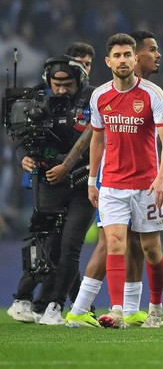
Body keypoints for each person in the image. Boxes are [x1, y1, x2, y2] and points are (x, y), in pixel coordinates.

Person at [66, 31, 163, 328]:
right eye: (153, 50)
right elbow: (94, 137)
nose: (158, 55)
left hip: (144, 181)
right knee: (112, 243)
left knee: (143, 247)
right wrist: (91, 177)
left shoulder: (153, 94)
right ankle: (89, 309)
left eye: (128, 54)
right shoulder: (103, 95)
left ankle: (135, 309)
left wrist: (160, 177)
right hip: (113, 181)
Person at [6, 55, 96, 325]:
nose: (61, 90)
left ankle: (54, 306)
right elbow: (19, 142)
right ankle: (28, 300)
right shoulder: (38, 102)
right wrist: (24, 159)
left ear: (79, 81)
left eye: (67, 84)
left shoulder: (96, 98)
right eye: (56, 84)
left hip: (83, 183)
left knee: (70, 247)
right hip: (50, 181)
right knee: (48, 246)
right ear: (48, 81)